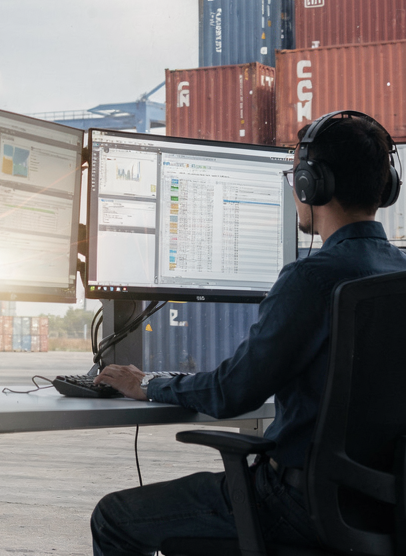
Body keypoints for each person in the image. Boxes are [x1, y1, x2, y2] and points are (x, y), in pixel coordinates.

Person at [90, 111, 406, 556]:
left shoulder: (310, 279)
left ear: (309, 185)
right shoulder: (398, 274)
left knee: (113, 517)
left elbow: (232, 392)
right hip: (384, 507)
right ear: (385, 187)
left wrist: (146, 383)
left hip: (298, 504)